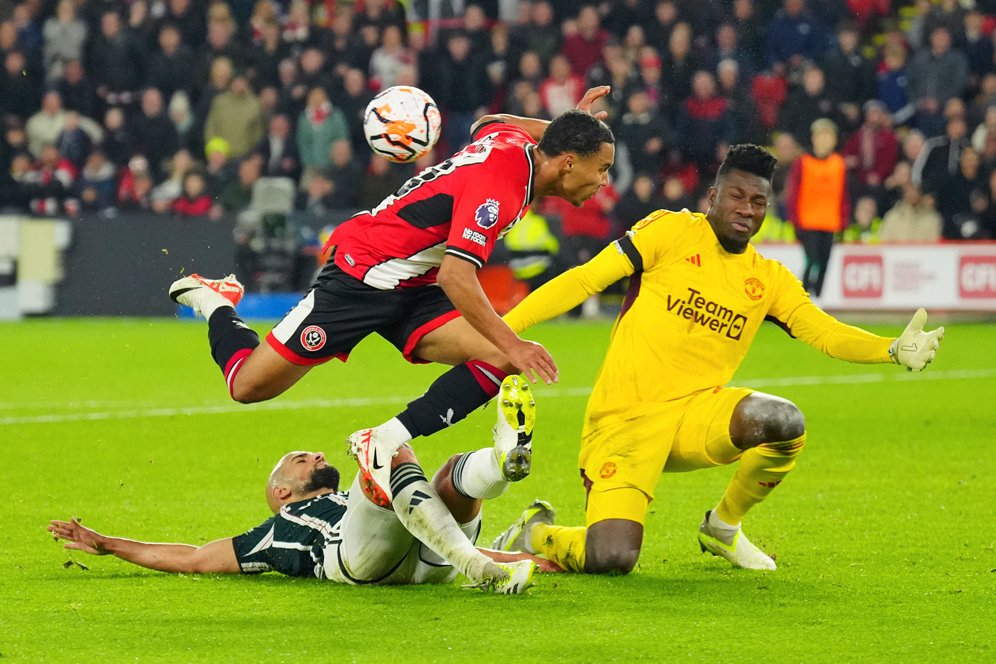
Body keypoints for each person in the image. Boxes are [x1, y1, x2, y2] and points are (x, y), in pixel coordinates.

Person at [490, 144, 944, 575]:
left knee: (781, 420)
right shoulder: (669, 231)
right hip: (624, 421)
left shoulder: (768, 279)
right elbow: (584, 280)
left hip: (695, 415)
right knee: (612, 557)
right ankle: (537, 532)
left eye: (759, 202)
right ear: (713, 196)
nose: (748, 209)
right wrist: (503, 328)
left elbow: (823, 331)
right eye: (737, 197)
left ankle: (723, 528)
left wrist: (889, 349)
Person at [168, 87, 615, 508]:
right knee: (247, 386)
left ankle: (383, 438)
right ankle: (216, 301)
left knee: (499, 357)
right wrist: (514, 340)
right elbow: (458, 278)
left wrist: (569, 125)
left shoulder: (515, 143)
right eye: (603, 168)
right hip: (362, 276)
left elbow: (489, 122)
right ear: (569, 164)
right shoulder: (499, 189)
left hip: (416, 284)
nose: (604, 182)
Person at [49, 378, 552, 593]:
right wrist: (109, 544)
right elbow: (194, 557)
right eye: (298, 459)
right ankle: (478, 554)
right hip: (354, 559)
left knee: (447, 478)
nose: (313, 454)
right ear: (282, 493)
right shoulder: (277, 528)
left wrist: (529, 563)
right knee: (382, 445)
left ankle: (502, 466)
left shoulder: (341, 498)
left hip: (425, 558)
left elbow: (430, 521)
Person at [786, 118, 850, 298]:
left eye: (828, 136)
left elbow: (843, 195)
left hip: (830, 222)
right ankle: (803, 295)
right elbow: (794, 194)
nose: (824, 140)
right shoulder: (803, 162)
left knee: (825, 262)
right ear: (813, 138)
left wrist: (844, 222)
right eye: (821, 135)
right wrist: (795, 221)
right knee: (812, 260)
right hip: (808, 222)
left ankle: (818, 297)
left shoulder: (838, 163)